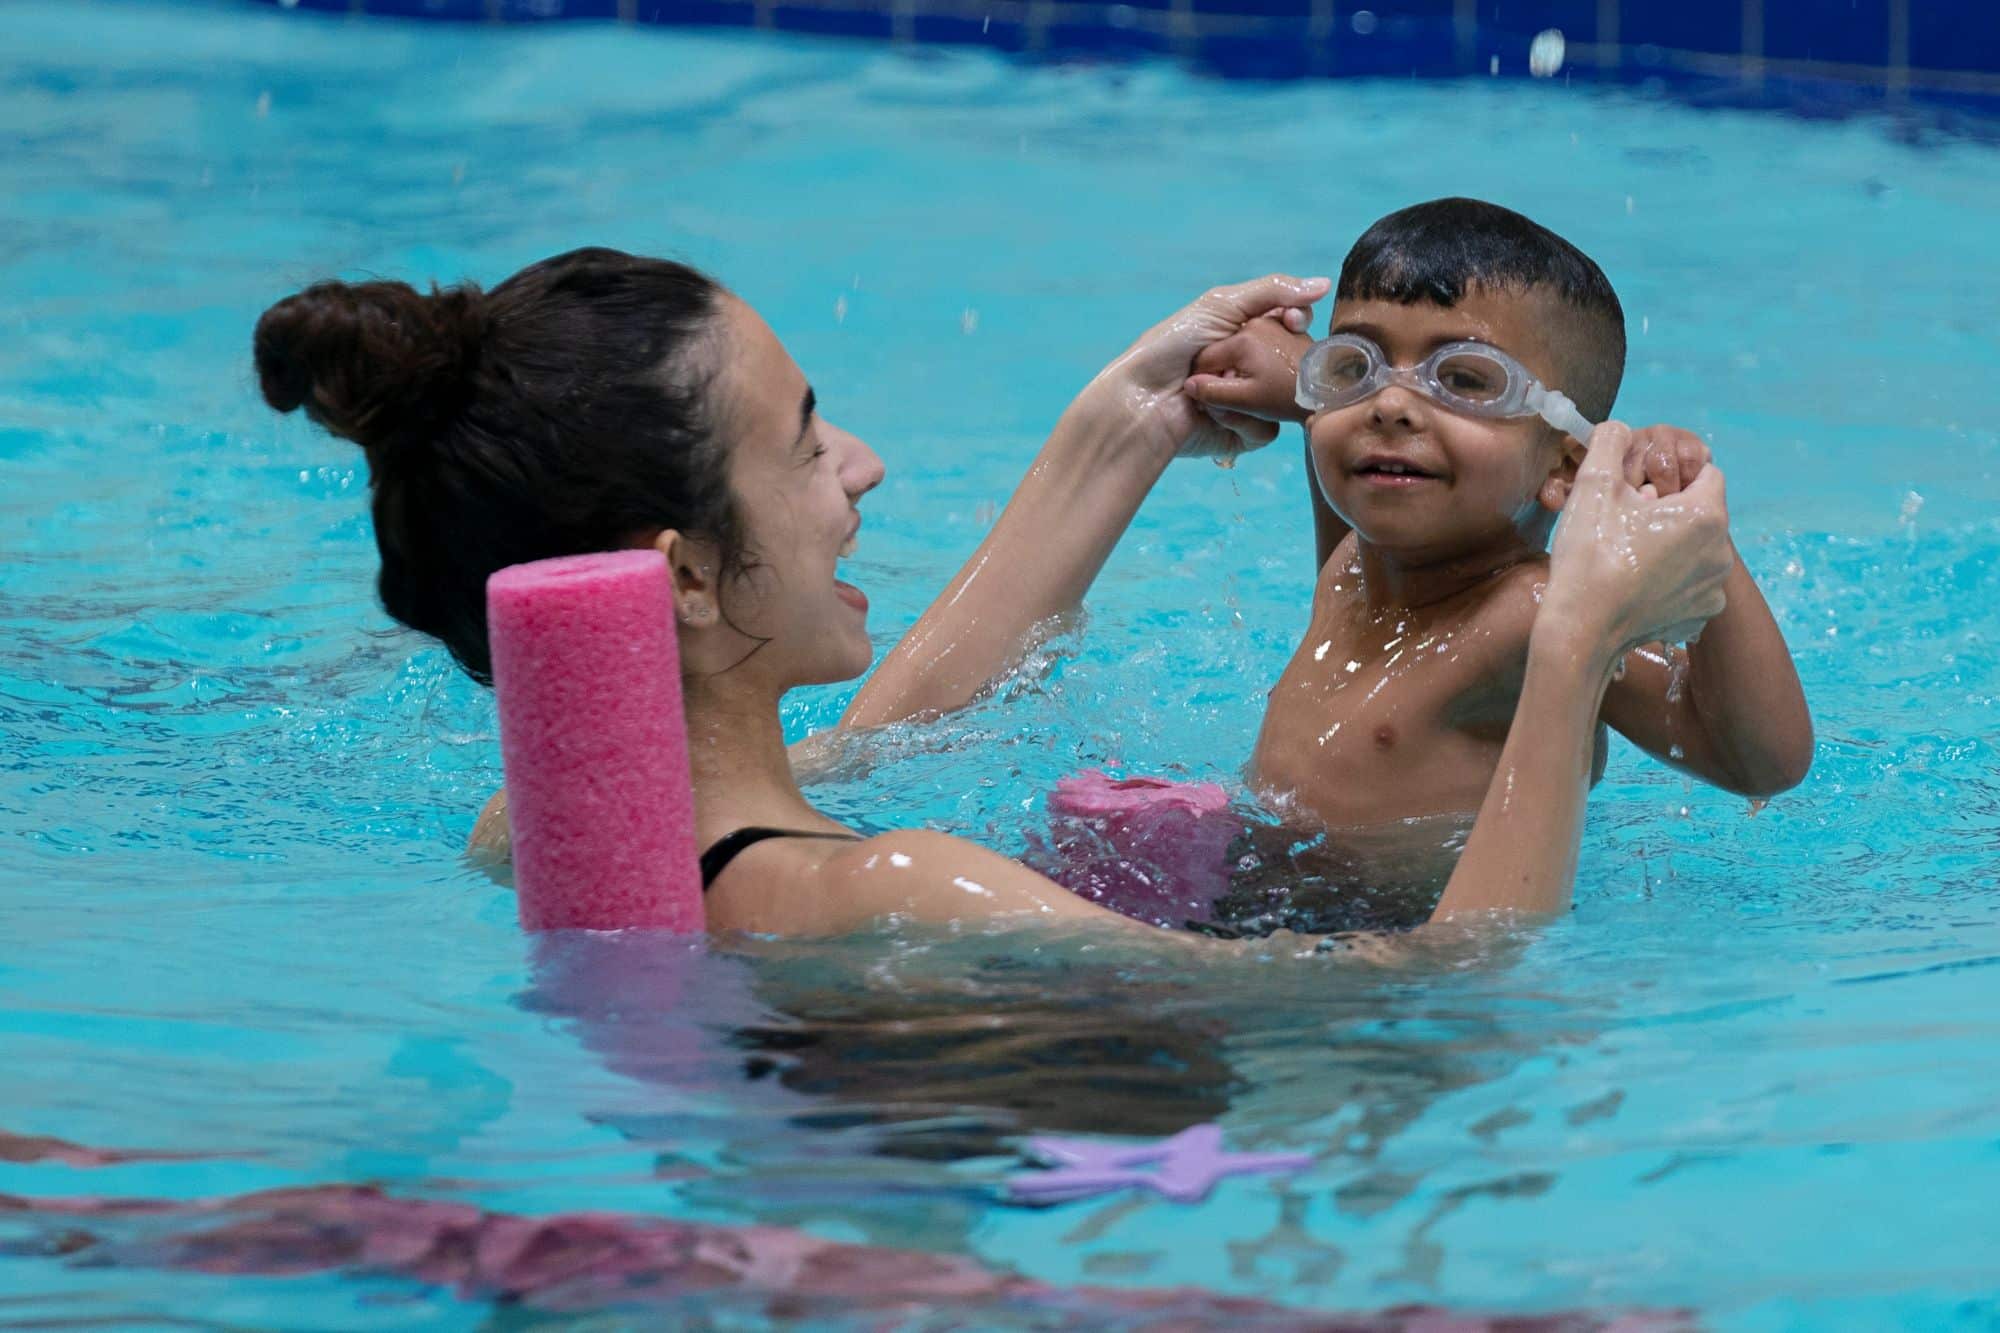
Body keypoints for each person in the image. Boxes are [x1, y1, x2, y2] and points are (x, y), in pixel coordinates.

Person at [253, 244, 1733, 939]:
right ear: (684, 577)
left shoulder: (539, 829)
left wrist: (1130, 419)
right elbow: (1449, 993)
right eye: (804, 435)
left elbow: (862, 737)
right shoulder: (905, 890)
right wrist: (1578, 640)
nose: (866, 465)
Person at [1184, 198, 1811, 917]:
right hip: (1259, 894)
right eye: (1358, 364)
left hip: (1391, 960)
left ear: (1567, 464)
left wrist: (1698, 532)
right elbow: (1344, 439)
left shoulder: (1533, 618)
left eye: (1465, 381)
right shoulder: (1361, 554)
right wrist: (1303, 387)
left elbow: (1764, 760)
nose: (1390, 405)